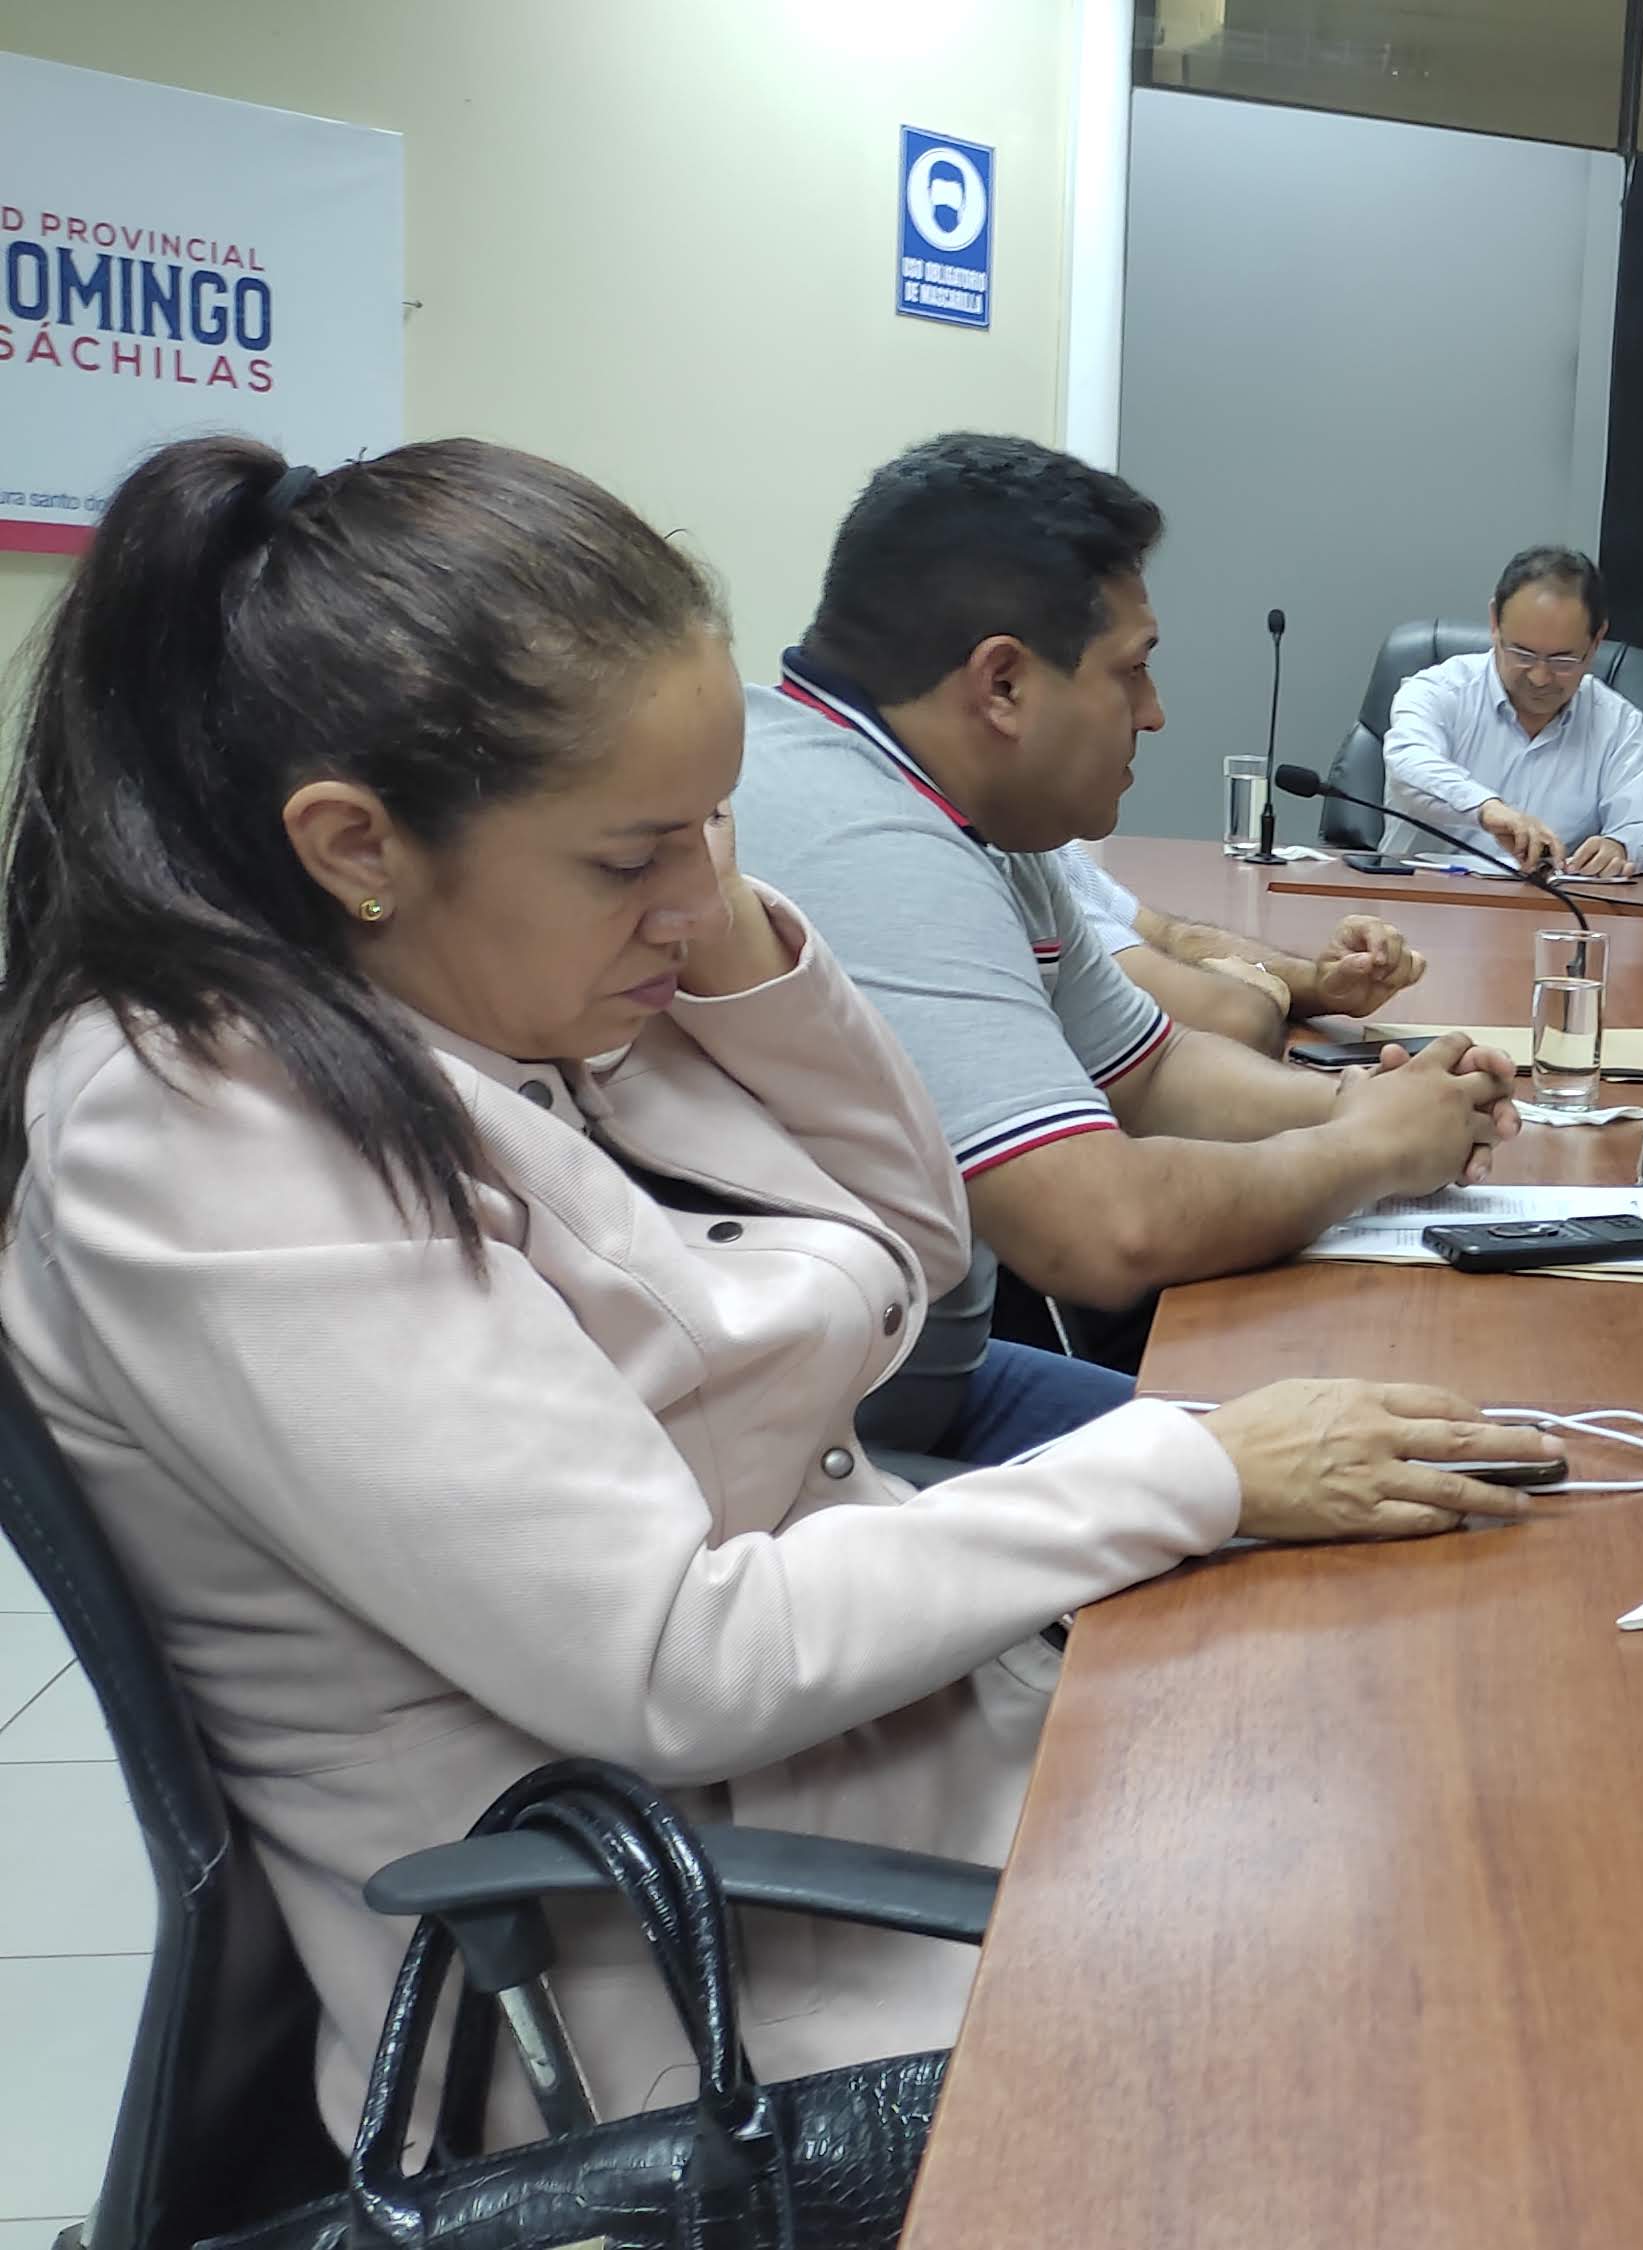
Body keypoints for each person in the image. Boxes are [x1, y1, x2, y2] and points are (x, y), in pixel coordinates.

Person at [0, 435, 1561, 2143]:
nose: (694, 898)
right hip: (669, 1982)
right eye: (634, 856)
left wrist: (746, 956)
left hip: (858, 1786)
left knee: (1439, 1804)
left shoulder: (496, 979)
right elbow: (676, 1657)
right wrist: (1190, 1470)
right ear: (354, 843)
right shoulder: (198, 1117)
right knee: (1437, 2030)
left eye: (713, 831)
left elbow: (916, 1253)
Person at [734, 434, 1519, 1452]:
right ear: (1002, 684)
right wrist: (1366, 1151)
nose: (1154, 714)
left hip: (923, 1383)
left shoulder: (969, 813)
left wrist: (1375, 1103)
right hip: (812, 1462)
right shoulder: (865, 839)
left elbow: (1151, 1074)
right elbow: (1104, 1231)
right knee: (1345, 1490)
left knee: (1398, 1447)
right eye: (1132, 671)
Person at [1380, 545, 1643, 876]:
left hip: (1550, 905)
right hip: (1423, 899)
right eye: (1523, 654)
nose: (1540, 677)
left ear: (1596, 641)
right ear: (1494, 622)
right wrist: (1487, 809)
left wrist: (1619, 846)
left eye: (1562, 660)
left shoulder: (1616, 722)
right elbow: (1408, 763)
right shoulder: (1437, 692)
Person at [1050, 839, 1426, 1057]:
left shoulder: (1054, 852)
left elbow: (1168, 936)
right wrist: (1248, 993)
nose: (1152, 728)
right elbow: (1235, 1020)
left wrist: (1318, 985)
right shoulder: (1020, 861)